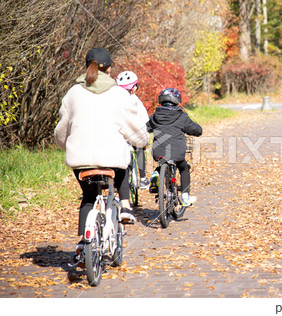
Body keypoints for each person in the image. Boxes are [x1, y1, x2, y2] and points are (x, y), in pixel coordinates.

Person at [54, 47, 149, 257]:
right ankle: (124, 206)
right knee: (123, 159)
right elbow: (135, 129)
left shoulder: (73, 93)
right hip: (111, 160)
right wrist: (142, 141)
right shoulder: (118, 94)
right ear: (110, 68)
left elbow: (62, 131)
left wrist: (65, 145)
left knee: (88, 197)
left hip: (80, 161)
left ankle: (82, 243)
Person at [147, 88, 202, 206]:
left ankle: (156, 174)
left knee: (161, 163)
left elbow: (147, 128)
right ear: (177, 100)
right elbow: (195, 129)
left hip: (159, 151)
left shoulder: (155, 116)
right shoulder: (181, 116)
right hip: (177, 151)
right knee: (184, 168)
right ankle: (186, 197)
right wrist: (198, 130)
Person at [116, 70, 150, 189]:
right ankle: (143, 178)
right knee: (140, 147)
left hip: (117, 134)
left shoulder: (113, 99)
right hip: (131, 134)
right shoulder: (135, 101)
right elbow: (144, 120)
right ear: (134, 88)